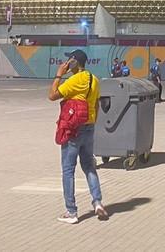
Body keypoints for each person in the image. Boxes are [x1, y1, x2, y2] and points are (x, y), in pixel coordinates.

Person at [48, 49, 109, 224]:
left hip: (74, 129)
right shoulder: (94, 80)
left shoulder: (75, 80)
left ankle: (71, 211)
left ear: (74, 62)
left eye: (69, 59)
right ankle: (97, 202)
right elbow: (96, 105)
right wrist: (91, 123)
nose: (66, 62)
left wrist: (59, 75)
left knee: (68, 169)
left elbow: (52, 95)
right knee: (89, 166)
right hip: (89, 127)